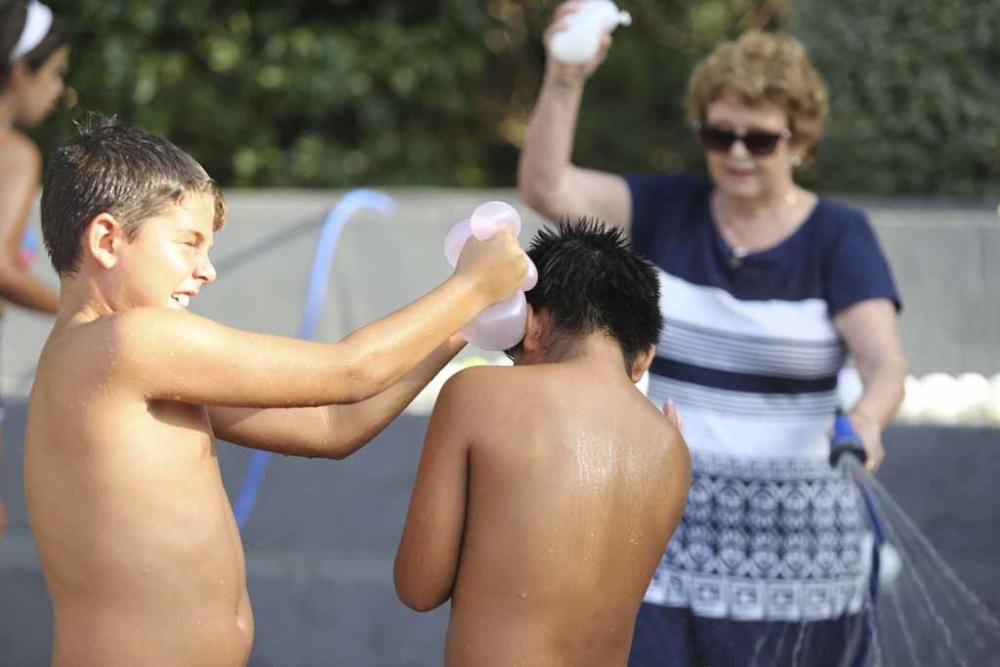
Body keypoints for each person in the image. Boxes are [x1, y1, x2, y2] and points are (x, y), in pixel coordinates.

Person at [24, 117, 526, 666]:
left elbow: (332, 427)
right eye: (188, 243)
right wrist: (472, 285)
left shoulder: (99, 362)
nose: (207, 269)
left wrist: (462, 321)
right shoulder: (132, 342)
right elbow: (349, 372)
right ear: (107, 240)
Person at [518, 10, 908, 666]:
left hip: (803, 560)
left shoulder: (839, 236)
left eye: (759, 140)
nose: (735, 153)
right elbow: (546, 186)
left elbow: (886, 365)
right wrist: (563, 77)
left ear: (801, 141)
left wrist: (868, 419)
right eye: (718, 134)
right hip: (667, 537)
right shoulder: (669, 208)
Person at [395, 219, 691, 665]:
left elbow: (419, 585)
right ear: (644, 357)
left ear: (531, 325)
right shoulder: (671, 448)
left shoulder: (478, 393)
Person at [0, 0, 66, 540]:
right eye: (57, 74)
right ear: (20, 70)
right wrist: (83, 306)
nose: (60, 93)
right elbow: (0, 267)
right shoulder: (13, 152)